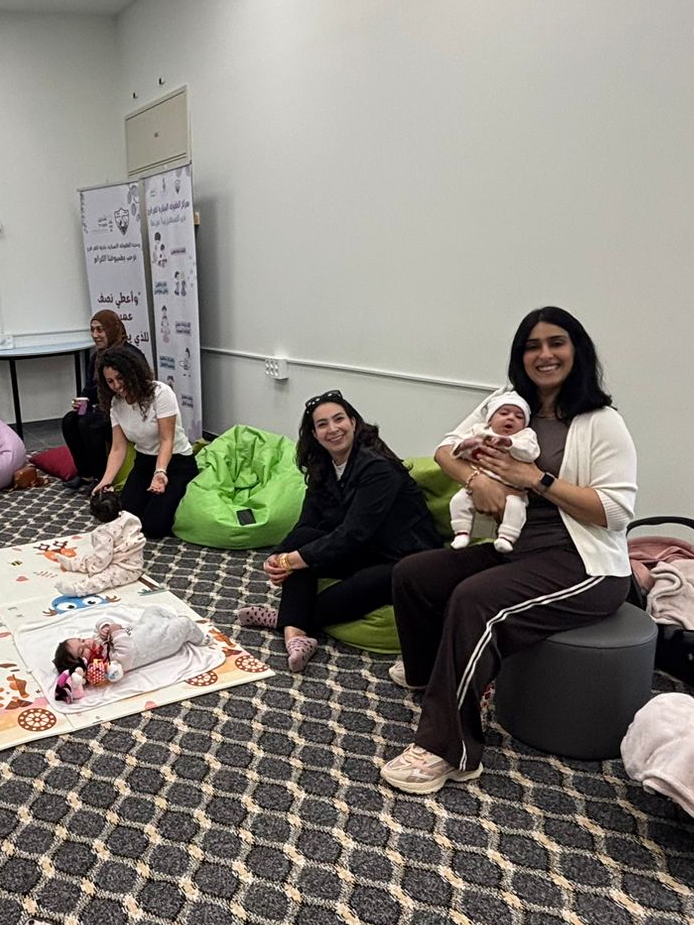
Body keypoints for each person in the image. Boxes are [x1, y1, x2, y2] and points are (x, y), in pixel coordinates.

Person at [383, 308, 636, 794]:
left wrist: (535, 479)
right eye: (532, 346)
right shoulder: (508, 404)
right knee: (414, 574)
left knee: (474, 600)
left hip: (585, 564)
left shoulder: (601, 422)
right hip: (520, 547)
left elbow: (617, 512)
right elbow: (445, 449)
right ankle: (430, 677)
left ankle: (449, 751)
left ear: (577, 350)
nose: (544, 355)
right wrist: (475, 480)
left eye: (556, 343)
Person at [238, 391, 443, 673]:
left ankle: (288, 621)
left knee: (347, 587)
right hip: (366, 550)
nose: (333, 429)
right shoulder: (323, 466)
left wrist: (293, 560)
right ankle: (297, 635)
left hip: (405, 559)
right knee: (303, 543)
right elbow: (306, 524)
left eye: (339, 419)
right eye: (322, 424)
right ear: (314, 434)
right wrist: (278, 556)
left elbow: (354, 532)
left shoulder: (377, 468)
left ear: (353, 422)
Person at [90, 344, 196, 539]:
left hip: (175, 462)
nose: (116, 385)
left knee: (154, 526)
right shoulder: (116, 403)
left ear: (131, 372)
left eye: (120, 378)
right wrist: (105, 481)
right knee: (126, 516)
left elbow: (167, 440)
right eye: (110, 381)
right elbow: (118, 448)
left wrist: (160, 472)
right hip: (144, 461)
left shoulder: (161, 393)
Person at [443, 392, 541, 553]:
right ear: (489, 419)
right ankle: (461, 532)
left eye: (519, 417)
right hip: (480, 480)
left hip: (513, 490)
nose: (511, 418)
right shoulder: (479, 431)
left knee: (515, 508)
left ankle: (507, 537)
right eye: (504, 413)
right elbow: (453, 451)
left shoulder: (525, 436)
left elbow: (530, 452)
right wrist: (465, 445)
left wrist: (510, 443)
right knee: (458, 500)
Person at [53, 607, 209, 699]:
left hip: (143, 627)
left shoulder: (97, 642)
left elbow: (100, 624)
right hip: (161, 640)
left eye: (81, 640)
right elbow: (127, 652)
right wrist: (115, 632)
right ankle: (201, 639)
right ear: (83, 664)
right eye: (82, 650)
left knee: (152, 610)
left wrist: (104, 627)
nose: (86, 642)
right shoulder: (110, 664)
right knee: (184, 623)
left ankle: (169, 620)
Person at [61, 311, 128, 488]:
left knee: (89, 424)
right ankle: (85, 475)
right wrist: (81, 403)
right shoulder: (96, 357)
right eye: (92, 330)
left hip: (123, 410)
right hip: (102, 409)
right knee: (70, 420)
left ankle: (101, 478)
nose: (95, 335)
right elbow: (89, 391)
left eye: (100, 330)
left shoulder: (127, 355)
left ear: (111, 330)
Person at [55, 488, 145, 592]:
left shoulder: (103, 533)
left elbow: (103, 558)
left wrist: (95, 570)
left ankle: (78, 589)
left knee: (103, 579)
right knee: (89, 559)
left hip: (128, 569)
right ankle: (73, 564)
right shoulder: (129, 517)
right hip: (130, 560)